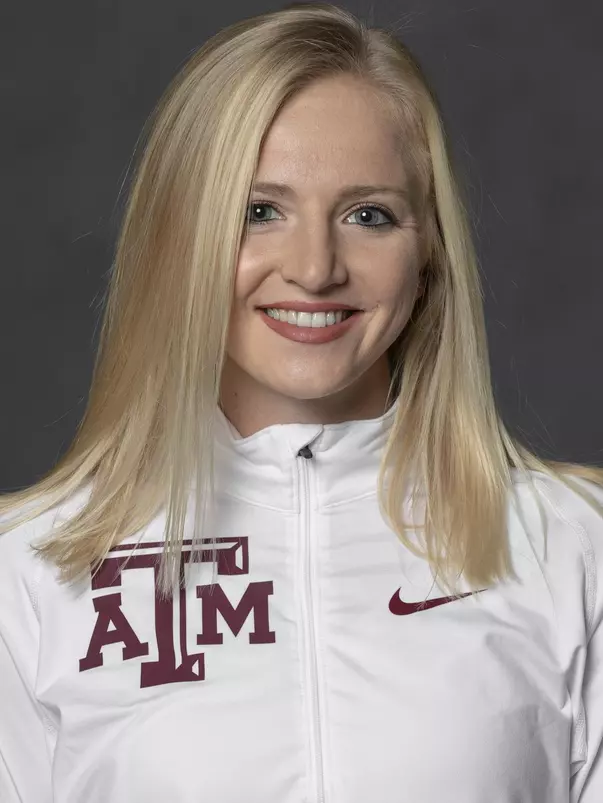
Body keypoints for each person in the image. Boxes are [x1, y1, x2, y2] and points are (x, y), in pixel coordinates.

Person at [1, 3, 602, 801]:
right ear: (180, 238)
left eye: (368, 215)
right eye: (259, 211)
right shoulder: (30, 572)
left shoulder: (574, 549)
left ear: (428, 254)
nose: (315, 268)